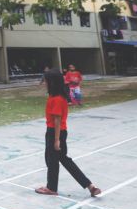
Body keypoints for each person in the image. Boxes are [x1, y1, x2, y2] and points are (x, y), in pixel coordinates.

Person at [35, 69, 101, 197]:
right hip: (58, 132)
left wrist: (56, 139)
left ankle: (51, 188)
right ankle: (90, 186)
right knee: (64, 160)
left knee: (52, 160)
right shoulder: (55, 97)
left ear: (52, 82)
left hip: (55, 132)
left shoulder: (57, 99)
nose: (45, 84)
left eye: (46, 81)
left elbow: (57, 120)